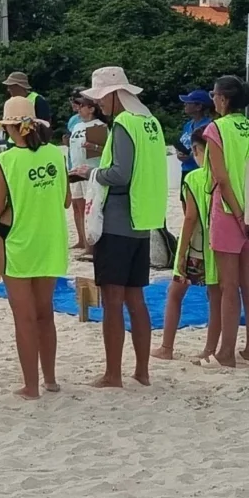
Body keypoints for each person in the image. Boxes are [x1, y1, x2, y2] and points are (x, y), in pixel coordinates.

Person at [83, 66, 164, 388]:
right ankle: (141, 371)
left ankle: (113, 373)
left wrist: (91, 173)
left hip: (118, 219)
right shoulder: (151, 123)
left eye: (102, 99)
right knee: (136, 299)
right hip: (143, 218)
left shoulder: (123, 125)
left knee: (113, 301)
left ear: (114, 96)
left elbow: (119, 173)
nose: (100, 105)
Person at [0, 115, 67, 398]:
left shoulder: (6, 160)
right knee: (45, 313)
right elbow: (66, 199)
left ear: (10, 128)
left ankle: (30, 386)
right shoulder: (55, 154)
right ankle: (50, 379)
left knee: (24, 317)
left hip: (18, 240)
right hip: (50, 240)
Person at [196, 75, 249, 366]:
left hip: (227, 211)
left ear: (223, 98)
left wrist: (237, 214)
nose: (213, 99)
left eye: (214, 95)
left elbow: (220, 178)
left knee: (228, 285)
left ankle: (226, 352)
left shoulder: (216, 129)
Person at [158, 143, 219, 362]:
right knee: (216, 298)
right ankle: (210, 349)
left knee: (175, 294)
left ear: (197, 150)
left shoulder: (194, 178)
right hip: (220, 246)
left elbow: (190, 218)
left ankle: (167, 347)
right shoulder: (227, 175)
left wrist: (181, 252)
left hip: (197, 247)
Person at [65, 92, 102, 250]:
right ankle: (82, 240)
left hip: (90, 170)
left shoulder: (99, 125)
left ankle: (91, 245)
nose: (78, 109)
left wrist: (92, 146)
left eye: (82, 106)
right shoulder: (77, 125)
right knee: (77, 206)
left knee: (90, 207)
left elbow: (106, 150)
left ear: (91, 109)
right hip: (75, 169)